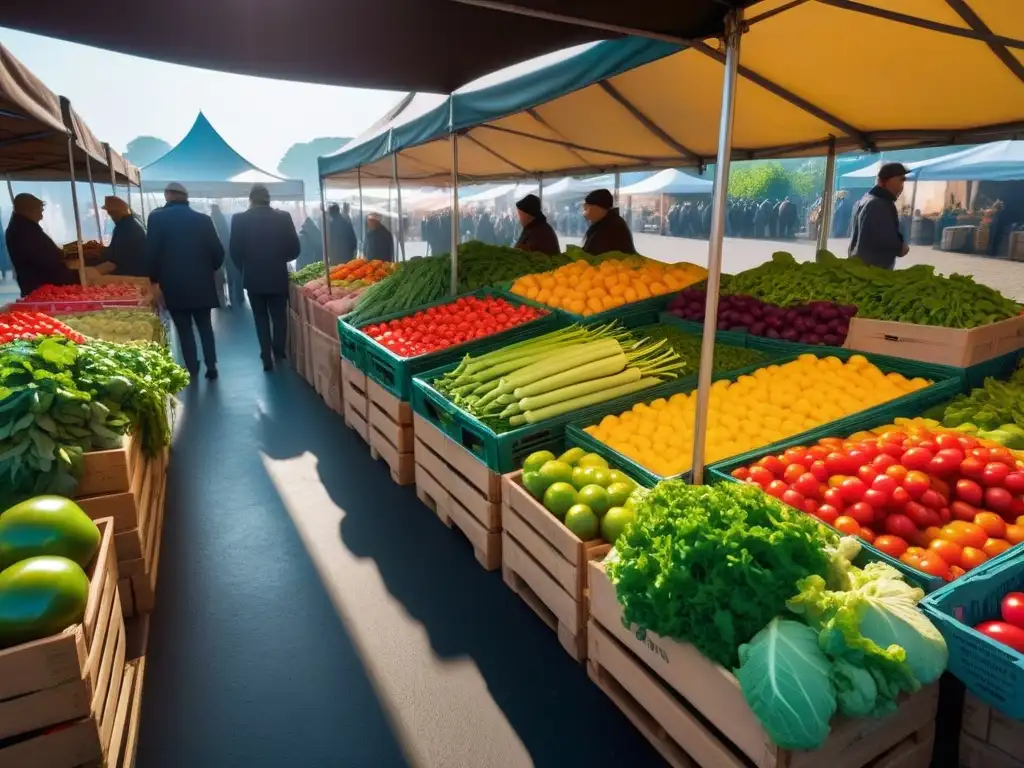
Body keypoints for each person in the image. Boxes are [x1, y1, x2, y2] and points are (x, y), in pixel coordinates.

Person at [147, 183, 225, 380]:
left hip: (173, 285)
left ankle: (192, 367)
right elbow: (218, 253)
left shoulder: (157, 219)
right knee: (205, 327)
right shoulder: (204, 220)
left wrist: (154, 281)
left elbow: (151, 253)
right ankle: (211, 366)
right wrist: (207, 270)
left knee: (184, 329)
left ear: (167, 196)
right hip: (201, 284)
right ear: (186, 197)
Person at [230, 185, 300, 371]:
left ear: (251, 199)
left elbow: (234, 252)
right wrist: (280, 260)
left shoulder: (239, 219)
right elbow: (295, 249)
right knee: (279, 317)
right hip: (277, 276)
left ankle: (266, 355)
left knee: (260, 317)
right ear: (268, 199)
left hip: (253, 278)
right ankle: (278, 351)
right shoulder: (283, 217)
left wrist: (245, 268)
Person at [5, 193, 79, 297]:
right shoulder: (23, 231)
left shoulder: (25, 227)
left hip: (46, 282)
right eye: (40, 211)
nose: (41, 216)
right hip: (44, 286)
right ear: (29, 210)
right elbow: (43, 258)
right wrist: (66, 257)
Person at [848, 163, 910, 269]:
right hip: (873, 270)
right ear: (886, 181)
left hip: (860, 265)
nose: (902, 186)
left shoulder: (866, 199)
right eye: (901, 180)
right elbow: (884, 238)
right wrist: (900, 248)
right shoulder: (880, 204)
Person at [93, 196, 147, 277]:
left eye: (111, 213)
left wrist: (100, 254)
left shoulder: (128, 228)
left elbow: (118, 255)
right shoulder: (125, 224)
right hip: (130, 269)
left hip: (130, 272)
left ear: (118, 213)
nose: (111, 216)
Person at [581, 189, 635, 256]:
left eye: (586, 209)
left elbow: (593, 255)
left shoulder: (611, 227)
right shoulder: (611, 222)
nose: (585, 215)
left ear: (596, 208)